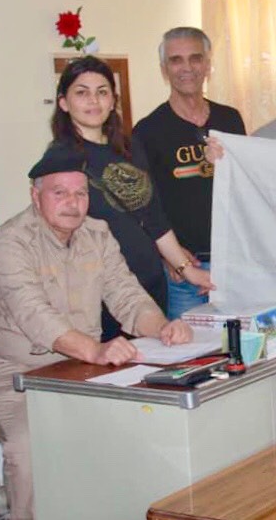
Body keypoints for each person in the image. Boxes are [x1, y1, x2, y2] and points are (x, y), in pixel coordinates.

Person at [0, 146, 194, 519]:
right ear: (35, 196)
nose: (72, 203)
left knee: (141, 430)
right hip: (18, 370)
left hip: (82, 369)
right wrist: (95, 350)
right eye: (59, 193)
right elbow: (35, 316)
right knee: (28, 449)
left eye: (80, 193)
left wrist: (162, 327)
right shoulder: (9, 243)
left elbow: (126, 294)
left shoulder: (97, 233)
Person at [50, 55, 212, 341]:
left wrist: (187, 270)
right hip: (100, 293)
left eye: (102, 92)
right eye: (82, 92)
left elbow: (153, 216)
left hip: (149, 286)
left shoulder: (129, 147)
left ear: (113, 100)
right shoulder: (60, 160)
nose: (93, 101)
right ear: (64, 102)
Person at [133, 26, 246, 319]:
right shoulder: (147, 130)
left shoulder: (230, 119)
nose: (187, 68)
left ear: (207, 64)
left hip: (234, 263)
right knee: (190, 345)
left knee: (243, 343)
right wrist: (168, 256)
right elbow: (144, 207)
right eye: (176, 60)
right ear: (164, 69)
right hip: (184, 272)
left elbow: (246, 187)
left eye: (195, 58)